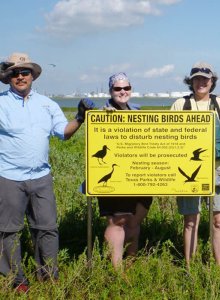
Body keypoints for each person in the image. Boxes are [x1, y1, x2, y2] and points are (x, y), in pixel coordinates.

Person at [0, 52, 95, 293]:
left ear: (33, 76)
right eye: (15, 73)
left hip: (41, 177)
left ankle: (48, 275)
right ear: (8, 77)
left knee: (47, 228)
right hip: (8, 177)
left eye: (25, 72)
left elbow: (63, 132)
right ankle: (15, 279)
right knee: (8, 231)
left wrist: (81, 117)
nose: (20, 76)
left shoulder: (47, 104)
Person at [171, 62, 220, 268]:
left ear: (212, 82)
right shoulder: (180, 105)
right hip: (188, 171)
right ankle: (189, 266)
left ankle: (219, 265)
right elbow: (169, 140)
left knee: (218, 220)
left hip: (217, 169)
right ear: (191, 82)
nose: (201, 83)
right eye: (197, 79)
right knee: (191, 220)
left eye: (205, 79)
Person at [97, 72, 152, 269]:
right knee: (116, 222)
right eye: (117, 88)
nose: (122, 92)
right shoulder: (102, 112)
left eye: (126, 88)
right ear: (110, 90)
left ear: (131, 90)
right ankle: (116, 270)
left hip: (139, 175)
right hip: (115, 179)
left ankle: (132, 263)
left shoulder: (137, 111)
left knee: (134, 221)